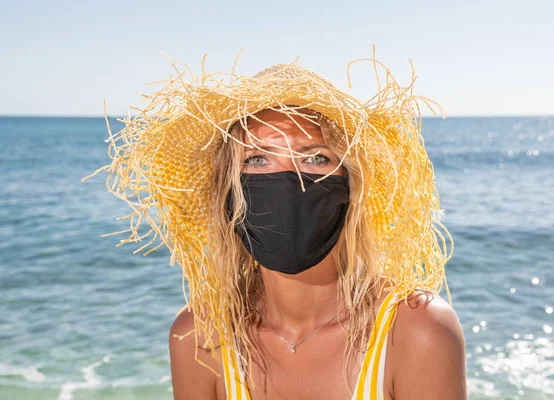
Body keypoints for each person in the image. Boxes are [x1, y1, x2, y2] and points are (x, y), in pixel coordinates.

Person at [88, 53, 466, 399]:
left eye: (316, 157)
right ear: (227, 192)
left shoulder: (416, 329)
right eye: (257, 160)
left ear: (351, 186)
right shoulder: (199, 338)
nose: (288, 180)